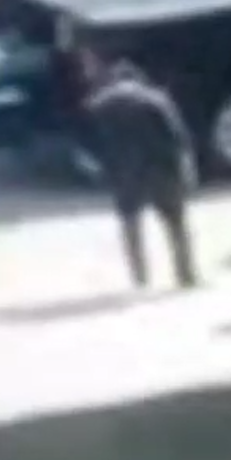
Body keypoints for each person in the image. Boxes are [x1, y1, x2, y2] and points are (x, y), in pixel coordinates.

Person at [84, 56, 199, 291]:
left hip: (123, 173)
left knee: (131, 226)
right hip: (163, 170)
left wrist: (103, 170)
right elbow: (179, 139)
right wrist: (188, 171)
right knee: (175, 225)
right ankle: (185, 275)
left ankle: (140, 277)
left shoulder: (98, 105)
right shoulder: (157, 100)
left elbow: (90, 145)